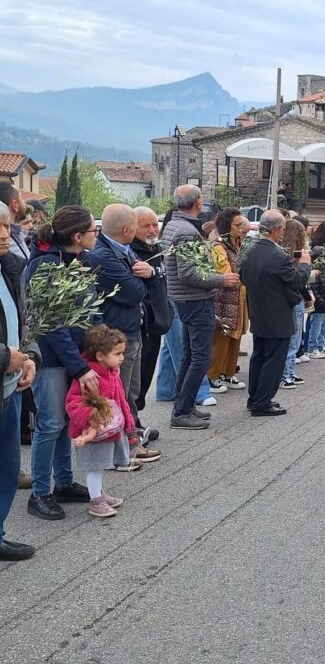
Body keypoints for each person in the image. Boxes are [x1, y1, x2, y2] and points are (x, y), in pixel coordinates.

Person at [25, 206, 100, 521]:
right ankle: (40, 493)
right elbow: (52, 325)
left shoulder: (71, 261)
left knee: (64, 423)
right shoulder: (46, 265)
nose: (96, 235)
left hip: (70, 357)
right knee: (50, 425)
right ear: (77, 236)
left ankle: (64, 483)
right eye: (93, 230)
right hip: (51, 360)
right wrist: (79, 367)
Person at [162, 185, 241, 430]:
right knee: (200, 358)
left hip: (184, 299)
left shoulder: (174, 225)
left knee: (189, 356)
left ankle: (184, 406)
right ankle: (181, 412)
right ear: (198, 201)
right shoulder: (186, 231)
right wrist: (221, 279)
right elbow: (188, 273)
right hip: (194, 299)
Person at [86, 204, 160, 463]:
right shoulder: (103, 256)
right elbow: (134, 292)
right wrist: (145, 277)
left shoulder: (123, 250)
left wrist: (148, 273)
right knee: (119, 394)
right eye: (140, 225)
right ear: (127, 229)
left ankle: (131, 440)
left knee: (131, 391)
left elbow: (139, 280)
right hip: (117, 334)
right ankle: (121, 451)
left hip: (131, 330)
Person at [239, 209, 311, 417]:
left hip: (258, 310)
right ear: (277, 229)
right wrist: (305, 266)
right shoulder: (278, 256)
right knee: (273, 361)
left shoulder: (250, 250)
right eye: (283, 229)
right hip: (277, 315)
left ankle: (255, 398)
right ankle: (262, 402)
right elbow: (297, 281)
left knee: (259, 357)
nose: (283, 233)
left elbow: (243, 276)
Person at [0, 201, 39, 559]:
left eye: (5, 226)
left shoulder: (10, 266)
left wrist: (29, 358)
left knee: (8, 469)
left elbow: (25, 320)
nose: (4, 234)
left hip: (10, 390)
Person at [65, 325, 133, 517]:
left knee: (101, 464)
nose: (122, 358)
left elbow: (120, 399)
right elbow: (73, 402)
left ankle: (99, 494)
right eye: (117, 354)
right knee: (95, 466)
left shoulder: (110, 372)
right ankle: (95, 501)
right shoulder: (91, 378)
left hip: (107, 429)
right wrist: (91, 417)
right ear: (100, 356)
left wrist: (127, 423)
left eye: (122, 353)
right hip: (93, 431)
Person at [131, 207, 172, 440]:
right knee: (136, 377)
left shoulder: (156, 249)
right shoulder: (131, 252)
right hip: (141, 325)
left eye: (155, 224)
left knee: (146, 373)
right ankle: (133, 424)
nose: (152, 230)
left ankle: (136, 419)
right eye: (145, 225)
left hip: (157, 322)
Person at [208, 207, 250, 390]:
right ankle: (212, 375)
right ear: (227, 226)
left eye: (242, 224)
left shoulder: (239, 243)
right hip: (223, 298)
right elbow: (224, 273)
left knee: (236, 336)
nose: (241, 228)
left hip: (239, 296)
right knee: (221, 337)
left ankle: (229, 372)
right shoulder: (218, 246)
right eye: (237, 225)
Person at [278, 218, 309, 388]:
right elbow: (298, 280)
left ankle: (289, 371)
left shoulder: (284, 254)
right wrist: (306, 266)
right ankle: (285, 374)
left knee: (294, 338)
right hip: (293, 298)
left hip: (292, 297)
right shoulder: (290, 257)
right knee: (293, 338)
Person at [307, 247, 325, 358]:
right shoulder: (314, 272)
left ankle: (320, 346)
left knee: (323, 328)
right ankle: (312, 349)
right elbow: (314, 291)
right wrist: (323, 303)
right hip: (319, 305)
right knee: (316, 327)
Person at [0, 183, 30, 263]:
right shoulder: (6, 244)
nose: (5, 235)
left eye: (6, 226)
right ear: (15, 204)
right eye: (21, 198)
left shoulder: (17, 234)